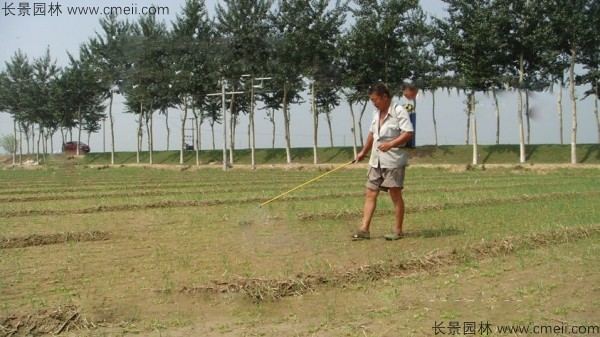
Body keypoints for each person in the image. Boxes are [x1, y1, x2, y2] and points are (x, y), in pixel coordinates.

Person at [353, 83, 414, 241]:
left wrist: (391, 144)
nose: (374, 103)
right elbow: (372, 134)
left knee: (395, 194)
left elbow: (408, 133)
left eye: (375, 99)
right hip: (376, 160)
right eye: (372, 100)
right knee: (370, 193)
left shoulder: (399, 111)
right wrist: (363, 152)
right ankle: (364, 230)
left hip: (393, 161)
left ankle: (398, 231)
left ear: (385, 97)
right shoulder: (376, 113)